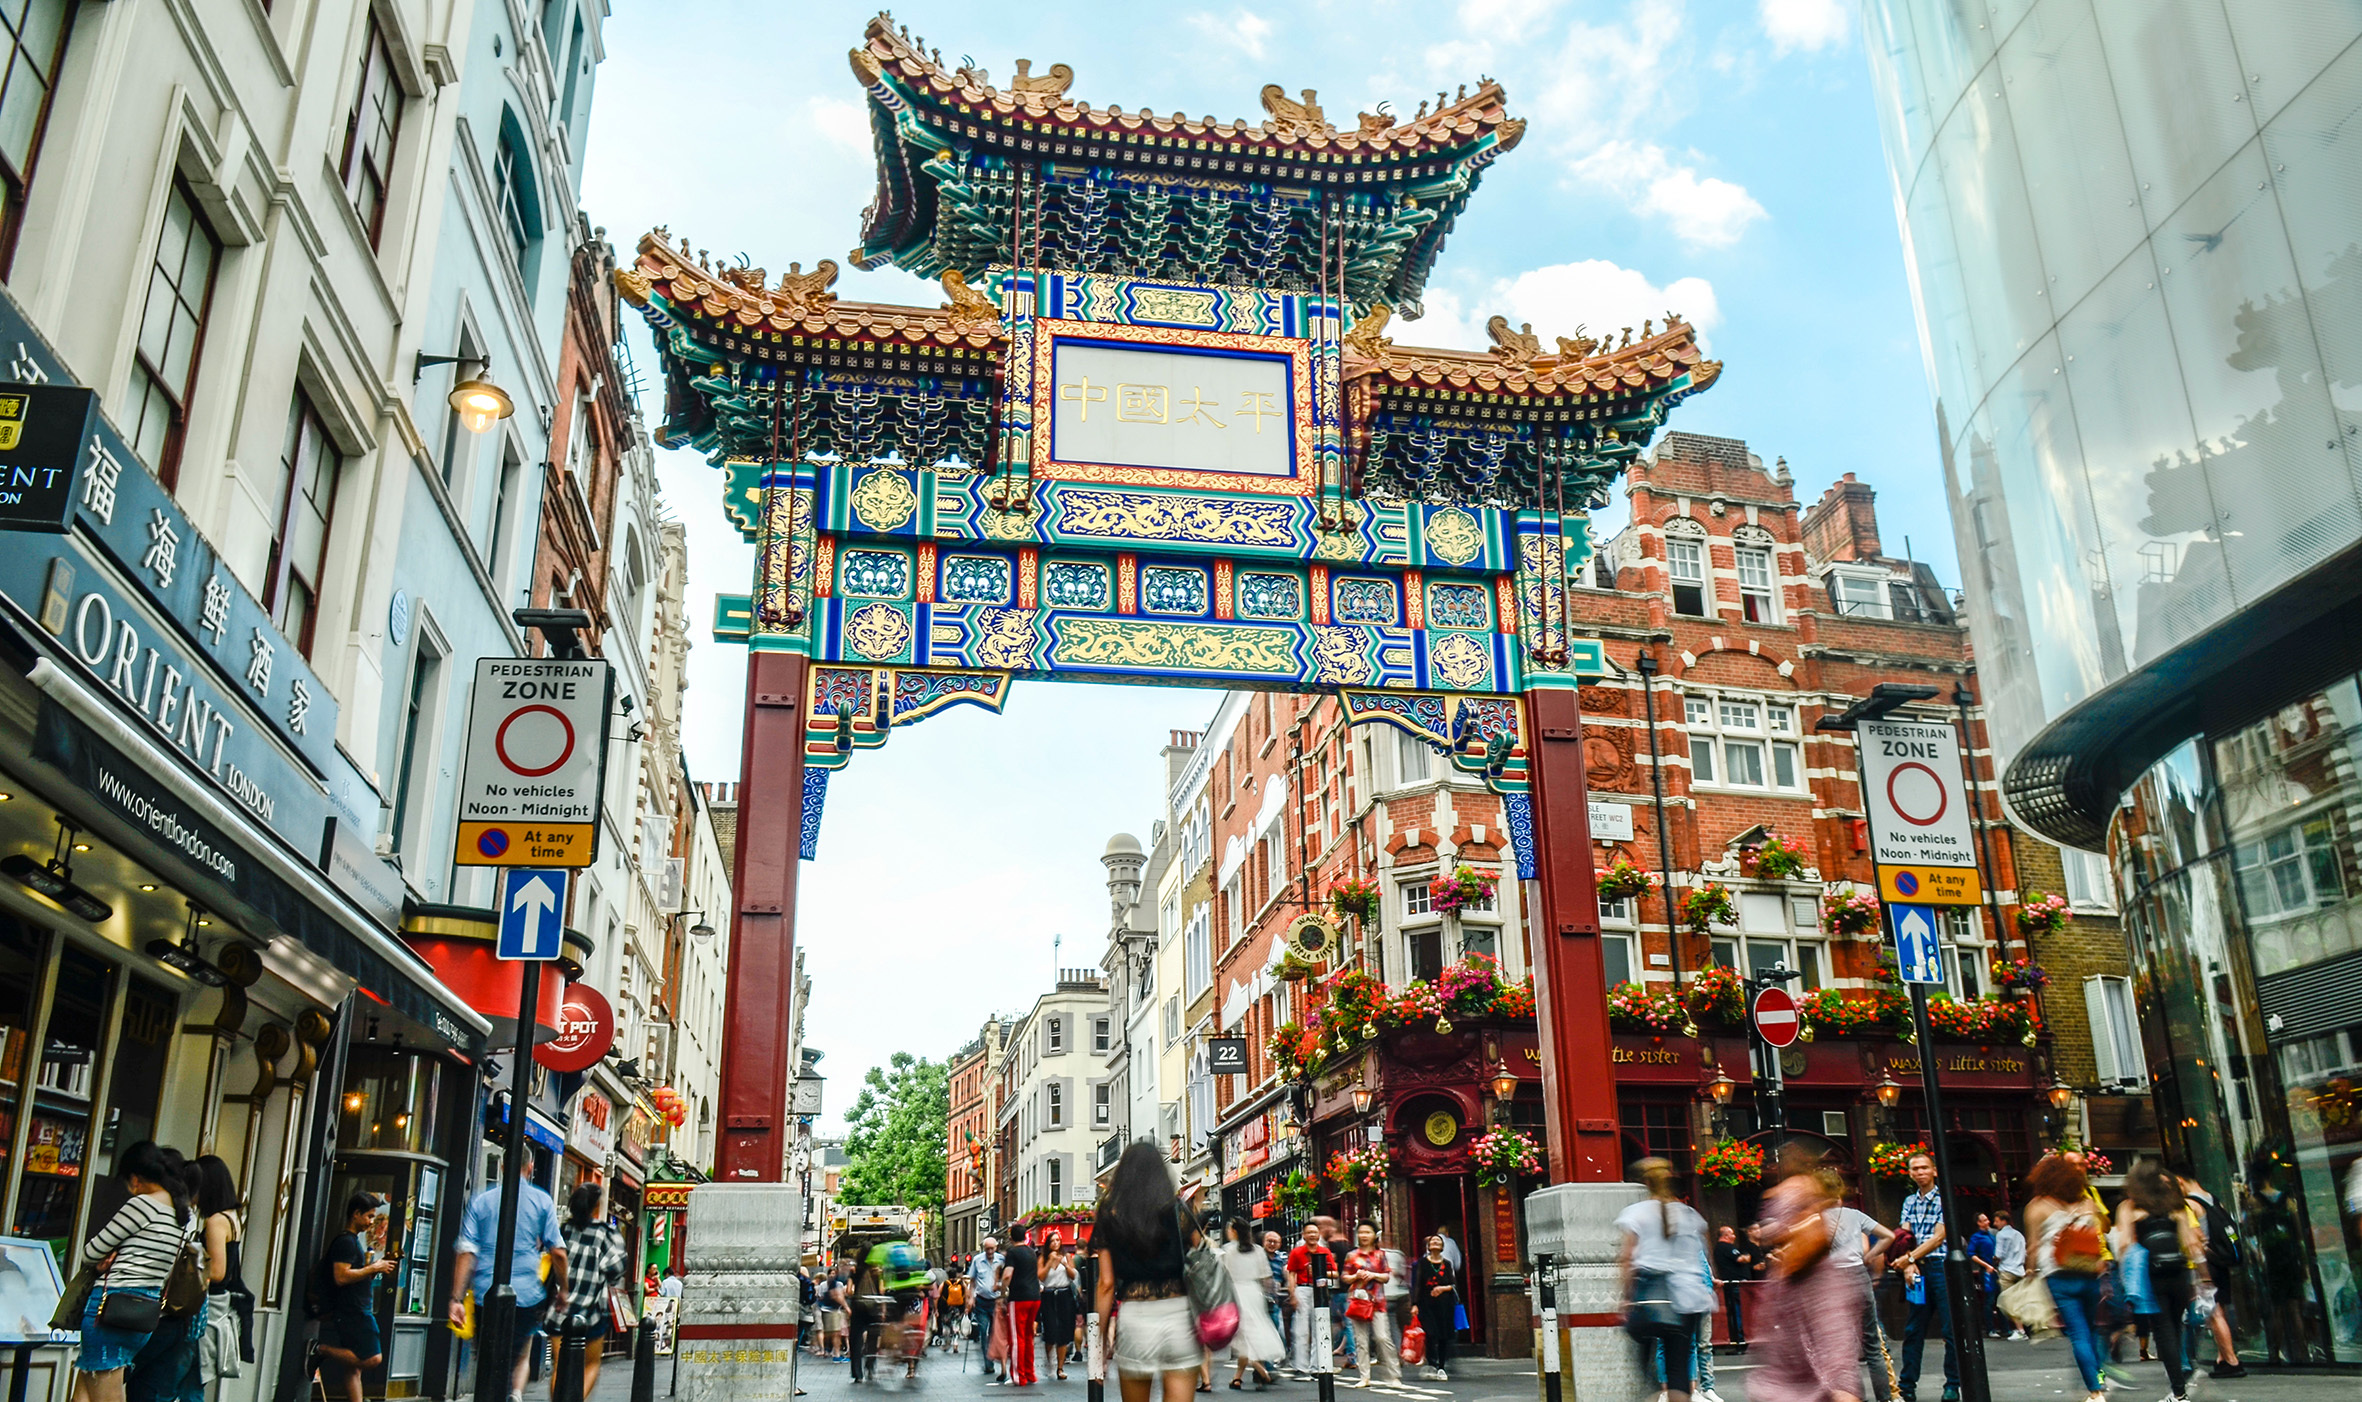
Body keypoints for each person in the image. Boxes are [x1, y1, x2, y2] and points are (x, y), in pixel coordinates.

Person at [76, 1142, 198, 1402]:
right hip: (146, 1310)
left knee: (104, 1394)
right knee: (84, 1393)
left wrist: (102, 1263)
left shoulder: (141, 1205)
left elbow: (91, 1252)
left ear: (135, 1178)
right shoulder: (183, 1212)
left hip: (110, 1307)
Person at [449, 1149, 569, 1402]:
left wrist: (456, 1299)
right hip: (525, 1296)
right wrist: (563, 1289)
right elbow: (558, 1252)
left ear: (502, 1168)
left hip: (486, 1294)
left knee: (489, 1360)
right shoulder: (541, 1200)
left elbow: (467, 1251)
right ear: (531, 1167)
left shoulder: (482, 1201)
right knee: (509, 1361)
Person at [1090, 1142, 1202, 1402]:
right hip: (1180, 1317)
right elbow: (1202, 1256)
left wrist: (1099, 1342)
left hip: (1135, 1319)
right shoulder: (1178, 1210)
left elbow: (1105, 1284)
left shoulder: (1110, 1213)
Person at [1615, 1158, 1714, 1402]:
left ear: (1645, 1183)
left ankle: (1652, 1395)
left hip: (1649, 1296)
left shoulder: (1636, 1213)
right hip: (1688, 1300)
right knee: (1679, 1371)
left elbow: (1627, 1259)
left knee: (1647, 1373)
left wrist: (1625, 1298)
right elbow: (1705, 1257)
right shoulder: (1690, 1215)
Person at [2117, 1161, 2205, 1402]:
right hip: (2178, 1274)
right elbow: (2190, 1243)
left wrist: (2128, 1275)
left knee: (2163, 1331)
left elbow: (2124, 1244)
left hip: (2151, 1275)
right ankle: (2179, 1386)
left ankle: (2179, 1392)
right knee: (2175, 1329)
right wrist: (2203, 1276)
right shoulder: (2175, 1205)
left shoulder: (2129, 1207)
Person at [2024, 1153, 2108, 1402]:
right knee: (2093, 1330)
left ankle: (2095, 1391)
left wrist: (2030, 1272)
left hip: (2059, 1276)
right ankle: (2099, 1378)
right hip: (2089, 1271)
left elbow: (2033, 1246)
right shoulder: (2086, 1203)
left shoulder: (2037, 1207)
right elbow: (2101, 1230)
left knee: (2078, 1333)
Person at [125, 1148, 206, 1402]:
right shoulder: (188, 1217)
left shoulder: (156, 1211)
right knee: (157, 1391)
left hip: (147, 1313)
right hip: (181, 1317)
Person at [1891, 1152, 1958, 1402]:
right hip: (1919, 1268)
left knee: (1950, 1328)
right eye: (1915, 1169)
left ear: (1934, 1171)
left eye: (1923, 1168)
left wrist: (1909, 1259)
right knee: (1913, 1328)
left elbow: (1939, 1237)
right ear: (1910, 1173)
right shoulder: (1909, 1201)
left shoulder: (1944, 1199)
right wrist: (1910, 1264)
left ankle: (1952, 1384)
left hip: (1941, 1266)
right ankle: (1907, 1386)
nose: (1919, 1172)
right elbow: (1904, 1236)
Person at [317, 1192, 396, 1402]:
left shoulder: (351, 1242)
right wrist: (374, 1267)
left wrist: (371, 1270)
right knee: (371, 1358)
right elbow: (341, 1276)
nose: (371, 1222)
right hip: (354, 1310)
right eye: (369, 1216)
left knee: (354, 1369)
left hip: (354, 1307)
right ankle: (320, 1349)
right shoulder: (347, 1242)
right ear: (356, 1214)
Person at [553, 1185, 627, 1400]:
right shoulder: (607, 1233)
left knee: (560, 1366)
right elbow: (617, 1268)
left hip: (560, 1306)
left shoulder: (563, 1229)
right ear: (596, 1206)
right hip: (592, 1308)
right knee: (591, 1364)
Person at [1824, 1188, 1895, 1402]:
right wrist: (1870, 1256)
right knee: (1872, 1344)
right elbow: (1888, 1236)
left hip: (1835, 1280)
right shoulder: (1855, 1215)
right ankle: (1886, 1398)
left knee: (1844, 1347)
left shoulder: (1816, 1220)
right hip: (1858, 1275)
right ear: (1838, 1197)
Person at [2175, 1169, 2243, 1377]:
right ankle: (2222, 1358)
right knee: (2218, 1310)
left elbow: (2195, 1238)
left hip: (2207, 1265)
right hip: (2220, 1263)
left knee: (2214, 1314)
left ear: (2180, 1181)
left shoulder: (2189, 1205)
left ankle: (2232, 1361)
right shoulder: (2213, 1199)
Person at [193, 1156, 246, 1387]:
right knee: (195, 1381)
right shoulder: (233, 1218)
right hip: (220, 1305)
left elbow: (217, 1272)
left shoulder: (215, 1221)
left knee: (191, 1376)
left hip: (206, 1304)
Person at [1220, 1219, 1282, 1389]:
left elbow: (1223, 1277)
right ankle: (1238, 1377)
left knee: (1242, 1336)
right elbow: (1266, 1277)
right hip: (1254, 1293)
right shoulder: (1258, 1250)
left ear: (1233, 1231)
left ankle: (1259, 1368)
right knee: (1253, 1332)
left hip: (1236, 1292)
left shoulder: (1228, 1250)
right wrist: (1270, 1296)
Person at [1341, 1223, 1401, 1387]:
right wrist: (1356, 1277)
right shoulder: (1351, 1255)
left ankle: (1394, 1375)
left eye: (1368, 1232)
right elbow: (1344, 1277)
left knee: (1382, 1337)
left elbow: (1386, 1277)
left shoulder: (1381, 1255)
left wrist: (1372, 1275)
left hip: (1377, 1302)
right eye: (1361, 1232)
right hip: (1358, 1301)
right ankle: (1364, 1377)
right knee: (1361, 1340)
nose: (1364, 1235)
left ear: (1375, 1235)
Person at [1284, 1222, 1333, 1374]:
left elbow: (1334, 1272)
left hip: (1319, 1289)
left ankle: (1317, 1365)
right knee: (1301, 1329)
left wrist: (1321, 1271)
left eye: (1315, 1232)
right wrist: (1292, 1294)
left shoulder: (1324, 1252)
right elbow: (1291, 1273)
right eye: (1309, 1232)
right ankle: (1300, 1366)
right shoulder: (1297, 1252)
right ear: (1303, 1235)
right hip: (1303, 1288)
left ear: (1319, 1235)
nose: (1312, 1235)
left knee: (1319, 1327)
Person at [1410, 1235, 1457, 1382]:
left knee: (1443, 1335)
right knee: (1430, 1333)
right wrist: (1414, 1304)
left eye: (1438, 1241)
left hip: (1445, 1305)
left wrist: (1442, 1289)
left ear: (1442, 1247)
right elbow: (1417, 1284)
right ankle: (1432, 1363)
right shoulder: (1422, 1263)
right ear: (1428, 1246)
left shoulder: (1447, 1264)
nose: (1435, 1243)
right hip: (1426, 1304)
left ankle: (1441, 1367)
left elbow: (1453, 1284)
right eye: (1433, 1241)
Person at [1001, 1229, 1043, 1386]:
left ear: (1011, 1237)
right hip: (1034, 1297)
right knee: (1028, 1336)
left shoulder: (1012, 1253)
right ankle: (1030, 1373)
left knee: (1016, 1337)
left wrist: (1002, 1290)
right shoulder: (1032, 1252)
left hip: (1019, 1297)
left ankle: (1019, 1376)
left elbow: (1007, 1275)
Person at [1041, 1242, 1079, 1380]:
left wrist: (1065, 1264)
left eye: (1058, 1240)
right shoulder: (1043, 1258)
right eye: (1052, 1240)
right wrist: (1049, 1262)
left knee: (1063, 1331)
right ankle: (1050, 1360)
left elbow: (1073, 1276)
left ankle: (1060, 1368)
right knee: (1050, 1330)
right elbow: (1041, 1276)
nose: (1055, 1243)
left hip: (1064, 1294)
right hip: (1049, 1294)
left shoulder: (1066, 1256)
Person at [1712, 1225, 1754, 1346]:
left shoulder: (1722, 1248)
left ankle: (1740, 1338)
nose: (1734, 1236)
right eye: (1731, 1234)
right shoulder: (1725, 1247)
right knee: (1738, 1312)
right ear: (1725, 1236)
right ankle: (1740, 1339)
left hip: (1736, 1284)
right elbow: (1741, 1259)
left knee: (1739, 1311)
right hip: (1735, 1284)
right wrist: (1747, 1256)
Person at [971, 1237, 1005, 1377]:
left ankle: (994, 1358)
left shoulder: (1002, 1260)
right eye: (987, 1249)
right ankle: (988, 1364)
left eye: (992, 1248)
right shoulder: (977, 1260)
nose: (990, 1251)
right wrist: (970, 1298)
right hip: (982, 1302)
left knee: (994, 1333)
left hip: (996, 1302)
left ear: (996, 1247)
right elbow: (972, 1280)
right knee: (983, 1332)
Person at [1991, 1212, 2027, 1341]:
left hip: (2007, 1271)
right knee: (2020, 1300)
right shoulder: (2019, 1234)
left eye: (1996, 1221)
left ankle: (2020, 1330)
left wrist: (1994, 1260)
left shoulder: (2001, 1235)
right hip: (2020, 1270)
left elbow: (1998, 1255)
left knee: (2008, 1302)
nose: (1994, 1224)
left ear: (2003, 1221)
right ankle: (2025, 1328)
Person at [1965, 1213, 1999, 1344]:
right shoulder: (1976, 1237)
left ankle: (2003, 1327)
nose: (1987, 1222)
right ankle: (1990, 1328)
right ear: (1979, 1223)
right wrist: (1986, 1265)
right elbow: (1971, 1254)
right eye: (1984, 1220)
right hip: (1987, 1271)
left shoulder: (1992, 1234)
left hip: (1997, 1269)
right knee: (1989, 1299)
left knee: (1999, 1297)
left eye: (1987, 1219)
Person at [1260, 1233, 1288, 1360]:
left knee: (1276, 1326)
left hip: (1275, 1298)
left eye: (1275, 1242)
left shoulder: (1281, 1259)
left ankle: (1272, 1358)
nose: (1272, 1244)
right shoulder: (1258, 1257)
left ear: (1280, 1244)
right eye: (1269, 1241)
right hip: (1259, 1296)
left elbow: (1287, 1276)